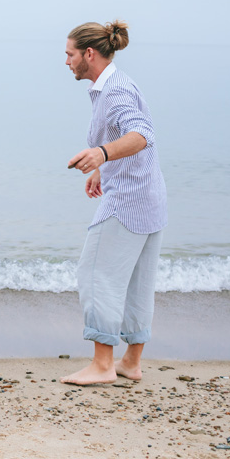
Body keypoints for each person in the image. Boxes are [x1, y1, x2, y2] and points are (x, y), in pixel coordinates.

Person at [60, 20, 167, 386]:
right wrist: (104, 169)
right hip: (149, 196)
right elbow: (132, 140)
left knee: (95, 274)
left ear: (89, 54)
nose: (66, 61)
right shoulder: (117, 85)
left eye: (70, 54)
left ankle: (103, 365)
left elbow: (142, 135)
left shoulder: (114, 91)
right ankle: (130, 363)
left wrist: (102, 154)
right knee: (138, 282)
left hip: (127, 201)